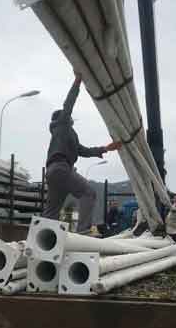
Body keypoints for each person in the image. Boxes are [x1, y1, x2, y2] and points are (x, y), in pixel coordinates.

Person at [43, 73, 121, 234]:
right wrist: (77, 82)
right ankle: (83, 231)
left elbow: (83, 151)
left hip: (52, 172)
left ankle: (43, 238)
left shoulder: (64, 134)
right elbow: (68, 104)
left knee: (52, 210)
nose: (71, 118)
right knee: (88, 193)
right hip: (62, 168)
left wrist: (105, 148)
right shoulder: (62, 125)